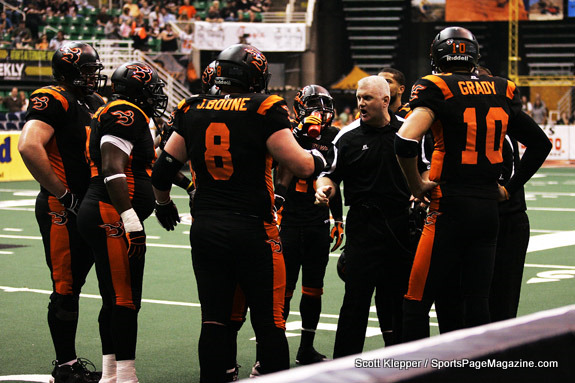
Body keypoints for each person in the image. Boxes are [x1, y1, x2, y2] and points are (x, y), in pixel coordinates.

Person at [151, 43, 327, 382]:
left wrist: (163, 203)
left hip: (206, 228)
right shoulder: (264, 107)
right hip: (253, 230)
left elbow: (162, 170)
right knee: (269, 321)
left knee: (215, 319)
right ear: (255, 75)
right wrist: (320, 157)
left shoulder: (191, 108)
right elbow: (302, 166)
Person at [394, 26, 552, 341]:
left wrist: (415, 186)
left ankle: (411, 372)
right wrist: (509, 187)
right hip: (487, 211)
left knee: (415, 302)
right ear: (473, 54)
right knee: (478, 303)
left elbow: (405, 141)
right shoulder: (502, 88)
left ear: (437, 55)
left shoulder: (435, 87)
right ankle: (480, 371)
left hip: (448, 207)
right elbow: (540, 144)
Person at [18, 41, 106, 383]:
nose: (93, 76)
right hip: (63, 208)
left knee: (103, 284)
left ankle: (109, 365)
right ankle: (66, 366)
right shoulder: (52, 97)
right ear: (68, 71)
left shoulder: (92, 102)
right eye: (86, 70)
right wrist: (63, 193)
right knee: (67, 289)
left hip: (90, 205)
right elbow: (28, 145)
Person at [77, 61, 168, 383]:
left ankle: (112, 374)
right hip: (109, 211)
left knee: (114, 298)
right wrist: (130, 220)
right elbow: (113, 169)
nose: (157, 95)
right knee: (126, 299)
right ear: (140, 89)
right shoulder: (126, 113)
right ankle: (126, 377)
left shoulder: (120, 111)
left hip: (105, 211)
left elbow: (142, 167)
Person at [315, 75, 414, 357]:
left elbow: (425, 168)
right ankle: (343, 368)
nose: (361, 103)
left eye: (367, 98)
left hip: (400, 227)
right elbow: (329, 176)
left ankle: (402, 364)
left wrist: (419, 191)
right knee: (355, 302)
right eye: (359, 98)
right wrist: (324, 190)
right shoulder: (347, 137)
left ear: (385, 101)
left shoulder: (408, 132)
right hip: (363, 227)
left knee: (397, 302)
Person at [274, 85, 343, 365]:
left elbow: (333, 177)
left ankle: (306, 348)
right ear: (299, 108)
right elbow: (276, 167)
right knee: (284, 289)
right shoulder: (286, 132)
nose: (321, 112)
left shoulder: (334, 136)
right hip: (288, 220)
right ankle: (273, 352)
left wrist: (337, 218)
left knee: (314, 289)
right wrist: (298, 133)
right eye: (315, 105)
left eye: (325, 105)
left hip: (316, 221)